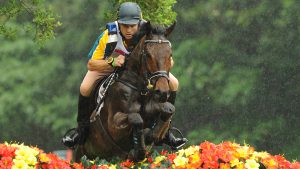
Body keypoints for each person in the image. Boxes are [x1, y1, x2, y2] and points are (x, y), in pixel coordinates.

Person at [62, 2, 187, 149]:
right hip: (108, 66)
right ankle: (81, 130)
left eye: (132, 26)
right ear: (118, 23)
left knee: (174, 83)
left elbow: (168, 61)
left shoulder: (149, 32)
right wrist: (113, 62)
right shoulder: (108, 35)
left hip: (139, 72)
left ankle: (167, 131)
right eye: (124, 25)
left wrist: (157, 71)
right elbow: (91, 64)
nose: (129, 30)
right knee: (85, 87)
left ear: (139, 22)